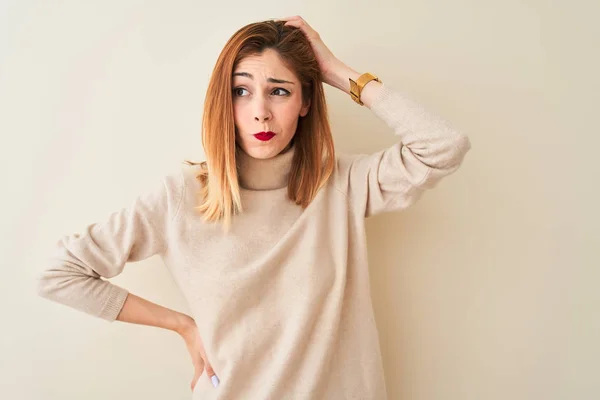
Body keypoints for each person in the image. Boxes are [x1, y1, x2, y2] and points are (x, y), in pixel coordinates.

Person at [37, 16, 471, 399]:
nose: (260, 112)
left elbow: (443, 146)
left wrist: (336, 73)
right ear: (222, 102)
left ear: (305, 102)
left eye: (279, 91)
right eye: (241, 91)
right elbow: (58, 275)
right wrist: (183, 326)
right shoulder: (181, 196)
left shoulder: (342, 184)